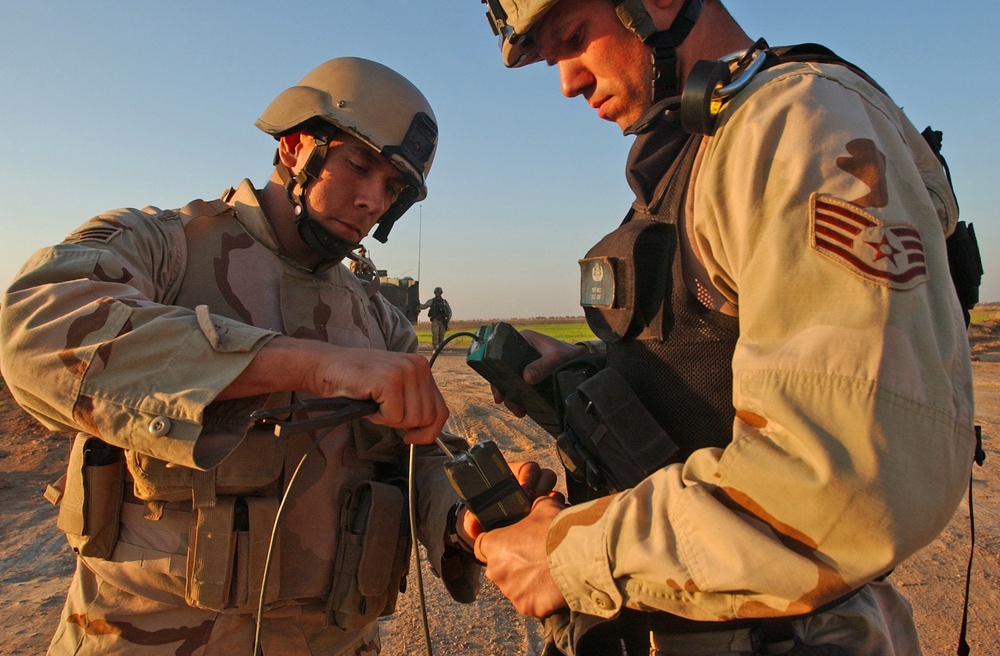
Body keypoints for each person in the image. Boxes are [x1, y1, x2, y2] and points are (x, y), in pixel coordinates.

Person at [471, 1, 977, 655]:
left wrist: (566, 556)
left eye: (573, 38)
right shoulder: (709, 143)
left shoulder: (795, 125)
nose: (568, 81)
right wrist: (588, 373)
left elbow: (846, 480)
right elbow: (718, 363)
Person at [0, 57, 550, 655]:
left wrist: (463, 516)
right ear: (294, 147)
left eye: (392, 187)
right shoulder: (165, 247)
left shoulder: (379, 322)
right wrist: (309, 363)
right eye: (359, 165)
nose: (372, 200)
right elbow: (33, 329)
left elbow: (414, 461)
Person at [420, 286, 453, 351]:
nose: (438, 294)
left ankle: (440, 349)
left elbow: (449, 311)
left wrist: (448, 319)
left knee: (441, 336)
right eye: (436, 292)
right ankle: (435, 348)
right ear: (434, 293)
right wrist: (417, 303)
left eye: (439, 292)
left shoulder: (444, 302)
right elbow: (424, 306)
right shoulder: (432, 301)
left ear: (441, 293)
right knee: (435, 334)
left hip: (443, 321)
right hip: (435, 320)